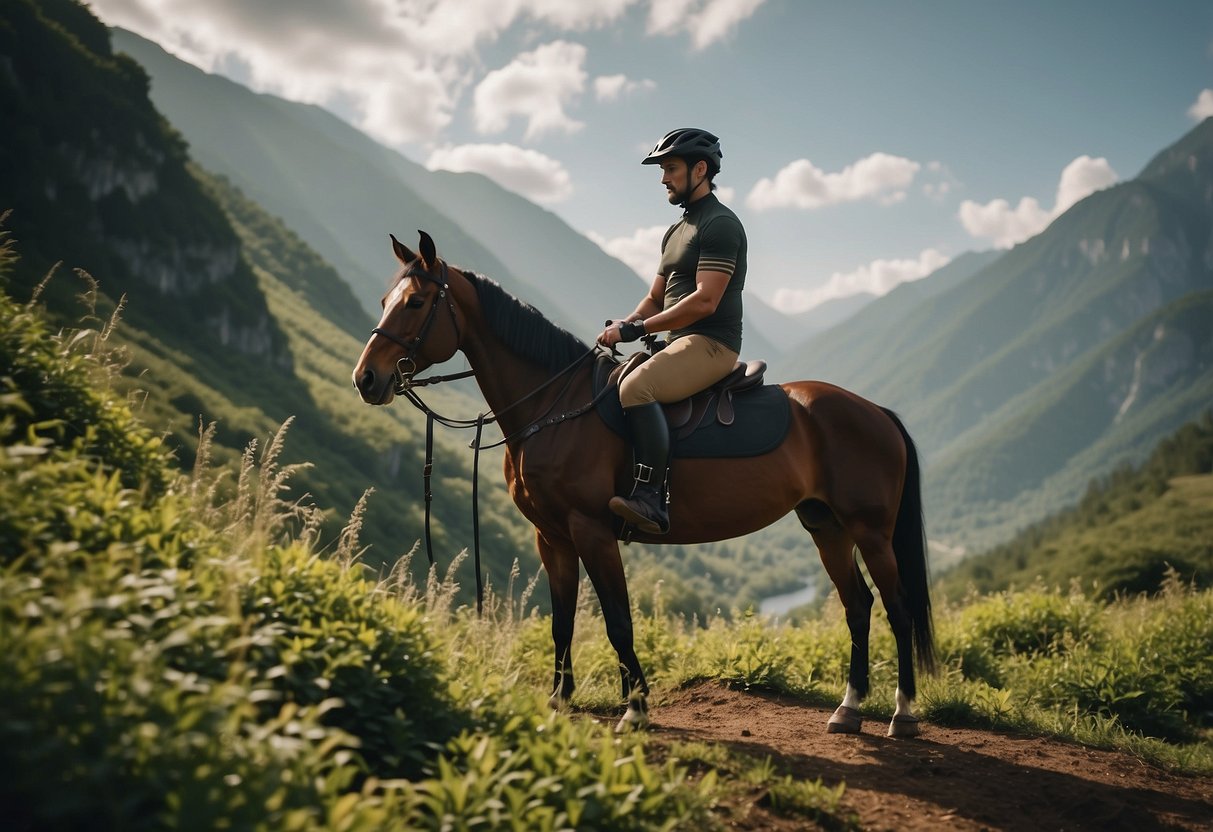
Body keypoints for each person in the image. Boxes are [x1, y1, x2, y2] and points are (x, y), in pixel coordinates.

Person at [597, 127, 748, 535]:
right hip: (678, 340)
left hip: (712, 344)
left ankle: (650, 498)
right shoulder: (676, 230)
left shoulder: (720, 224)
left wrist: (640, 329)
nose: (664, 178)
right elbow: (655, 297)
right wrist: (623, 326)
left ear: (700, 169)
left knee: (635, 388)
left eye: (671, 169)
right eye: (663, 170)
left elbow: (704, 301)